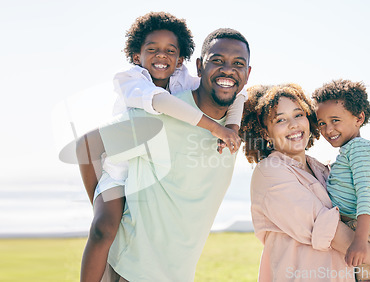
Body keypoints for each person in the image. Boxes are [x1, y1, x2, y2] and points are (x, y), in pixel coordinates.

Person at [76, 12, 246, 281]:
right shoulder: (131, 80)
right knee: (104, 229)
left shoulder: (183, 81)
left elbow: (239, 96)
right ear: (136, 55)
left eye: (170, 51)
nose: (161, 56)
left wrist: (233, 128)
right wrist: (99, 198)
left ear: (181, 60)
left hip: (174, 263)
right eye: (152, 49)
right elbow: (160, 104)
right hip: (116, 165)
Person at [239, 83, 370, 281]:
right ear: (266, 132)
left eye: (298, 114)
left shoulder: (324, 169)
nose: (293, 125)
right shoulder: (269, 173)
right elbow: (328, 230)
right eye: (280, 119)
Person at [312, 79, 370, 281]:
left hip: (369, 233)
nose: (328, 130)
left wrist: (360, 241)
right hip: (364, 231)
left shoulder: (359, 148)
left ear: (359, 117)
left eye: (335, 120)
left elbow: (366, 194)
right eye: (322, 123)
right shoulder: (349, 151)